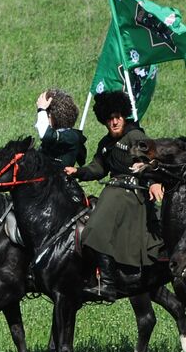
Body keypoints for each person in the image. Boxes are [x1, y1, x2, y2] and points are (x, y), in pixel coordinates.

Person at [65, 91, 160, 297]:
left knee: (95, 228)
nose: (114, 122)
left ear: (124, 116)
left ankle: (107, 283)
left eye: (117, 117)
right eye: (109, 118)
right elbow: (98, 168)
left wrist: (153, 182)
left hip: (132, 192)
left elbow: (153, 159)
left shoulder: (135, 136)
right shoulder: (105, 144)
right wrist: (78, 172)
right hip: (114, 191)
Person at [34, 89, 86, 167]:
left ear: (50, 115)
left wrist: (41, 109)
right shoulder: (58, 135)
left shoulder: (72, 136)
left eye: (45, 115)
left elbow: (45, 134)